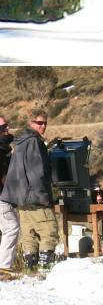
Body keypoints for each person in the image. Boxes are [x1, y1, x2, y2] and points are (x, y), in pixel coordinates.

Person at [0, 109, 59, 269]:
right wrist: (44, 195)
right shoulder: (33, 141)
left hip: (21, 198)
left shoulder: (20, 141)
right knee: (49, 229)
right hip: (35, 195)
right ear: (31, 123)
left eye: (45, 123)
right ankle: (45, 269)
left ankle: (30, 268)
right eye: (39, 123)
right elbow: (36, 171)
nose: (43, 126)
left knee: (29, 234)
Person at [0, 115, 19, 273]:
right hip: (1, 196)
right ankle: (4, 267)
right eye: (3, 127)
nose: (7, 128)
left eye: (7, 125)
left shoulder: (5, 147)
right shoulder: (1, 148)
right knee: (11, 227)